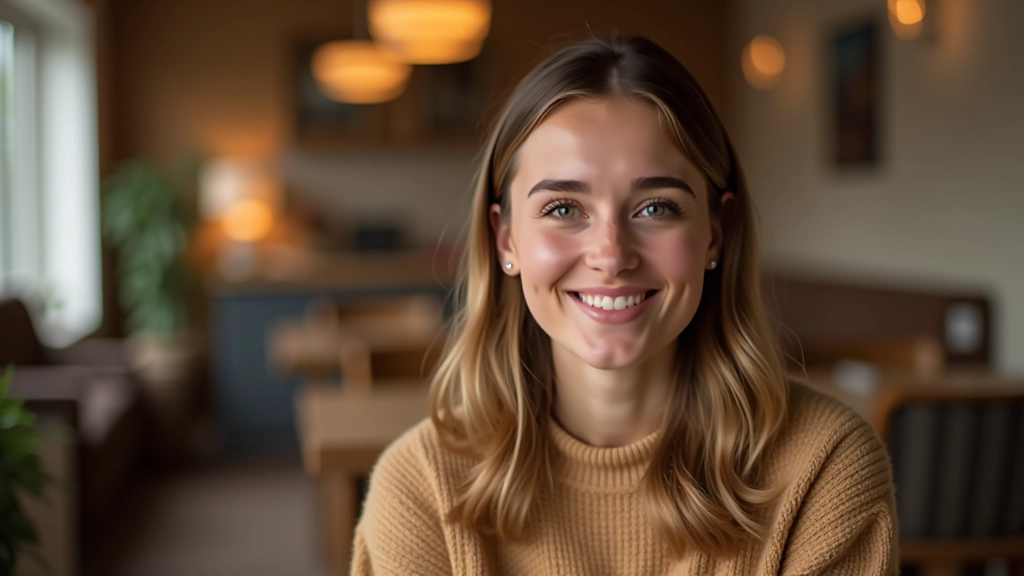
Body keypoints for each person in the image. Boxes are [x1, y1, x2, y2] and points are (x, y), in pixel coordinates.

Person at [351, 36, 897, 575]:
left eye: (657, 207)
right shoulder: (418, 486)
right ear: (506, 240)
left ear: (715, 233)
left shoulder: (826, 467)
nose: (610, 255)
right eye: (564, 208)